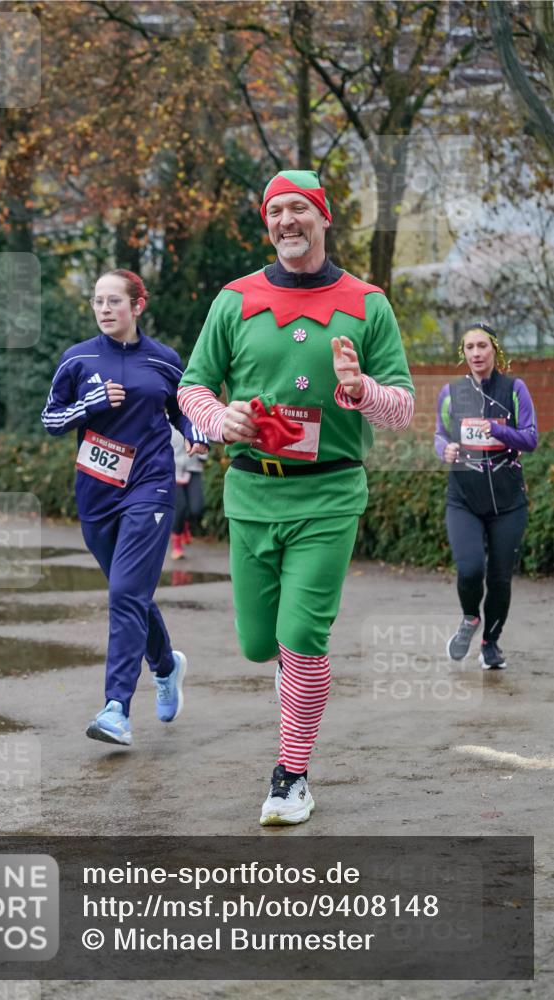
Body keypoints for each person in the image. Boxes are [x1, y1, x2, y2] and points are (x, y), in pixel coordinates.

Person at [178, 170, 414, 825]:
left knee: (301, 637)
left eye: (299, 210)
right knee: (260, 645)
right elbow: (192, 388)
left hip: (330, 494)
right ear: (267, 222)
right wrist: (219, 419)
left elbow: (401, 411)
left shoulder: (367, 303)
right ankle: (296, 684)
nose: (287, 220)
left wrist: (360, 388)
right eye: (275, 210)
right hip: (250, 493)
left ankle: (290, 776)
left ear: (322, 217)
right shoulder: (234, 299)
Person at [41, 269, 207, 746]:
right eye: (98, 302)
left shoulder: (164, 359)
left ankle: (116, 708)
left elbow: (181, 406)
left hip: (150, 487)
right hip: (96, 493)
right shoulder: (78, 359)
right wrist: (91, 403)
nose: (105, 309)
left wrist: (194, 435)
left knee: (124, 596)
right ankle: (166, 664)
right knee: (129, 592)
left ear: (138, 305)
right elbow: (52, 419)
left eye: (115, 301)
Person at [434, 322, 538, 670]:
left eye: (482, 346)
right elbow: (439, 434)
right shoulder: (450, 392)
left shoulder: (514, 388)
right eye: (469, 348)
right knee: (469, 569)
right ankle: (469, 618)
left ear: (494, 349)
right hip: (464, 497)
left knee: (499, 577)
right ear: (462, 353)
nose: (476, 353)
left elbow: (531, 438)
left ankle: (491, 643)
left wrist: (496, 429)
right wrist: (445, 449)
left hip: (508, 501)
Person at [170, 425, 207, 559]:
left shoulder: (195, 421)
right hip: (173, 471)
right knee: (180, 508)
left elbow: (204, 443)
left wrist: (204, 452)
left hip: (193, 469)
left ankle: (185, 526)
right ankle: (177, 545)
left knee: (197, 507)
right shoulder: (167, 422)